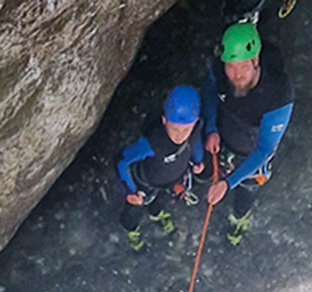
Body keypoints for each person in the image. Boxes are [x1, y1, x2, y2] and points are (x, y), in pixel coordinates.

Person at [202, 22, 294, 246]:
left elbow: (265, 149)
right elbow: (209, 91)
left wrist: (229, 182)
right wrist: (211, 128)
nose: (236, 75)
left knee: (246, 190)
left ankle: (239, 219)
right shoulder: (219, 70)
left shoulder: (278, 93)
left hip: (252, 150)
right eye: (230, 66)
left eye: (243, 66)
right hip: (224, 135)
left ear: (256, 61)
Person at [115, 86, 207, 252]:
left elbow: (195, 142)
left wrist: (198, 160)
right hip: (144, 184)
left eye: (186, 129)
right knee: (133, 213)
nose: (180, 135)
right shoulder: (153, 143)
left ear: (195, 122)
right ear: (164, 121)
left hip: (168, 180)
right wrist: (130, 191)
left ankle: (156, 214)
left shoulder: (193, 131)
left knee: (158, 201)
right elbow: (122, 160)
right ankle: (132, 230)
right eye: (174, 128)